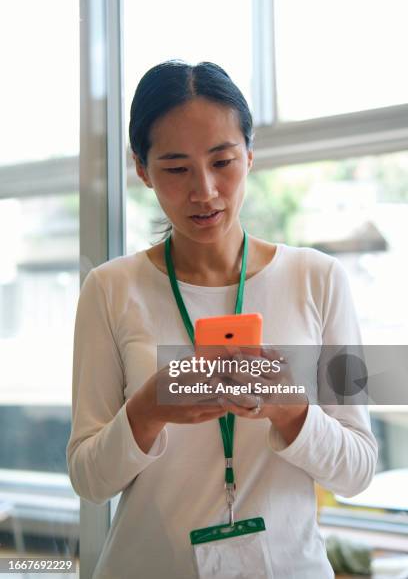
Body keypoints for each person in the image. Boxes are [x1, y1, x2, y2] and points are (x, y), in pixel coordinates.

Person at [66, 60, 378, 579]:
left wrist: (291, 410)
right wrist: (147, 410)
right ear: (142, 170)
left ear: (250, 156)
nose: (205, 190)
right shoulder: (109, 289)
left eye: (222, 160)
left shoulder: (319, 278)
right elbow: (88, 480)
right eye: (175, 167)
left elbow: (359, 470)